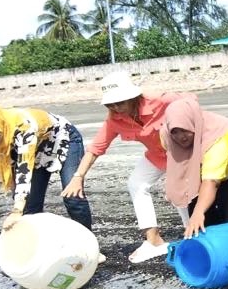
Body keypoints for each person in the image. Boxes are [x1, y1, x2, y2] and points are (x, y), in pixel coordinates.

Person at [61, 72, 192, 263]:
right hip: (156, 156)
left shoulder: (160, 100)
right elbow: (96, 148)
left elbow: (191, 102)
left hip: (181, 154)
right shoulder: (114, 120)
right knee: (136, 183)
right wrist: (78, 176)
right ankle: (154, 240)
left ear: (133, 97)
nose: (115, 107)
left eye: (120, 102)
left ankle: (193, 233)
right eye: (110, 104)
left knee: (177, 191)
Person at [0, 101, 93, 232]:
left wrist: (16, 210)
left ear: (1, 125)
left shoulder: (23, 125)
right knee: (29, 208)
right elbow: (9, 169)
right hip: (36, 150)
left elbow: (24, 168)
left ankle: (88, 241)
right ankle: (36, 245)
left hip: (63, 139)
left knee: (72, 197)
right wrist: (18, 200)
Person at [162, 97, 228, 239]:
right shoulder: (166, 135)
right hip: (208, 166)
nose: (181, 137)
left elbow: (212, 182)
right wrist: (197, 213)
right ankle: (207, 247)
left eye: (185, 130)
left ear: (193, 124)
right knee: (200, 213)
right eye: (175, 131)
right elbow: (182, 168)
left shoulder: (217, 141)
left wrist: (198, 214)